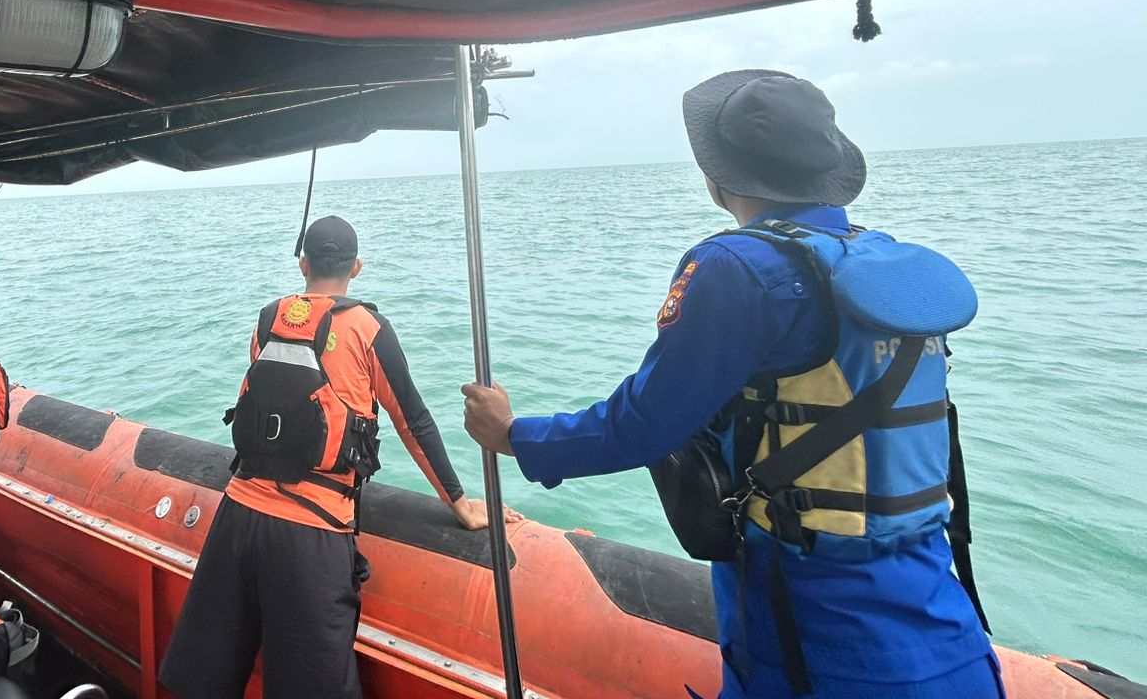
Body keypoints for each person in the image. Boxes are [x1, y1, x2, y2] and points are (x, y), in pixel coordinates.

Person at [462, 70, 997, 699]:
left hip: (815, 636)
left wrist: (515, 436)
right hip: (945, 621)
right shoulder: (884, 262)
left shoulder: (736, 266)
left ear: (719, 181)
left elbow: (643, 424)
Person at [160, 215, 501, 699]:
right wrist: (461, 504)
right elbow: (413, 421)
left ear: (303, 264)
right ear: (356, 268)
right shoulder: (368, 327)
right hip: (312, 535)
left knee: (204, 682)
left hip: (236, 517)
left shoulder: (268, 317)